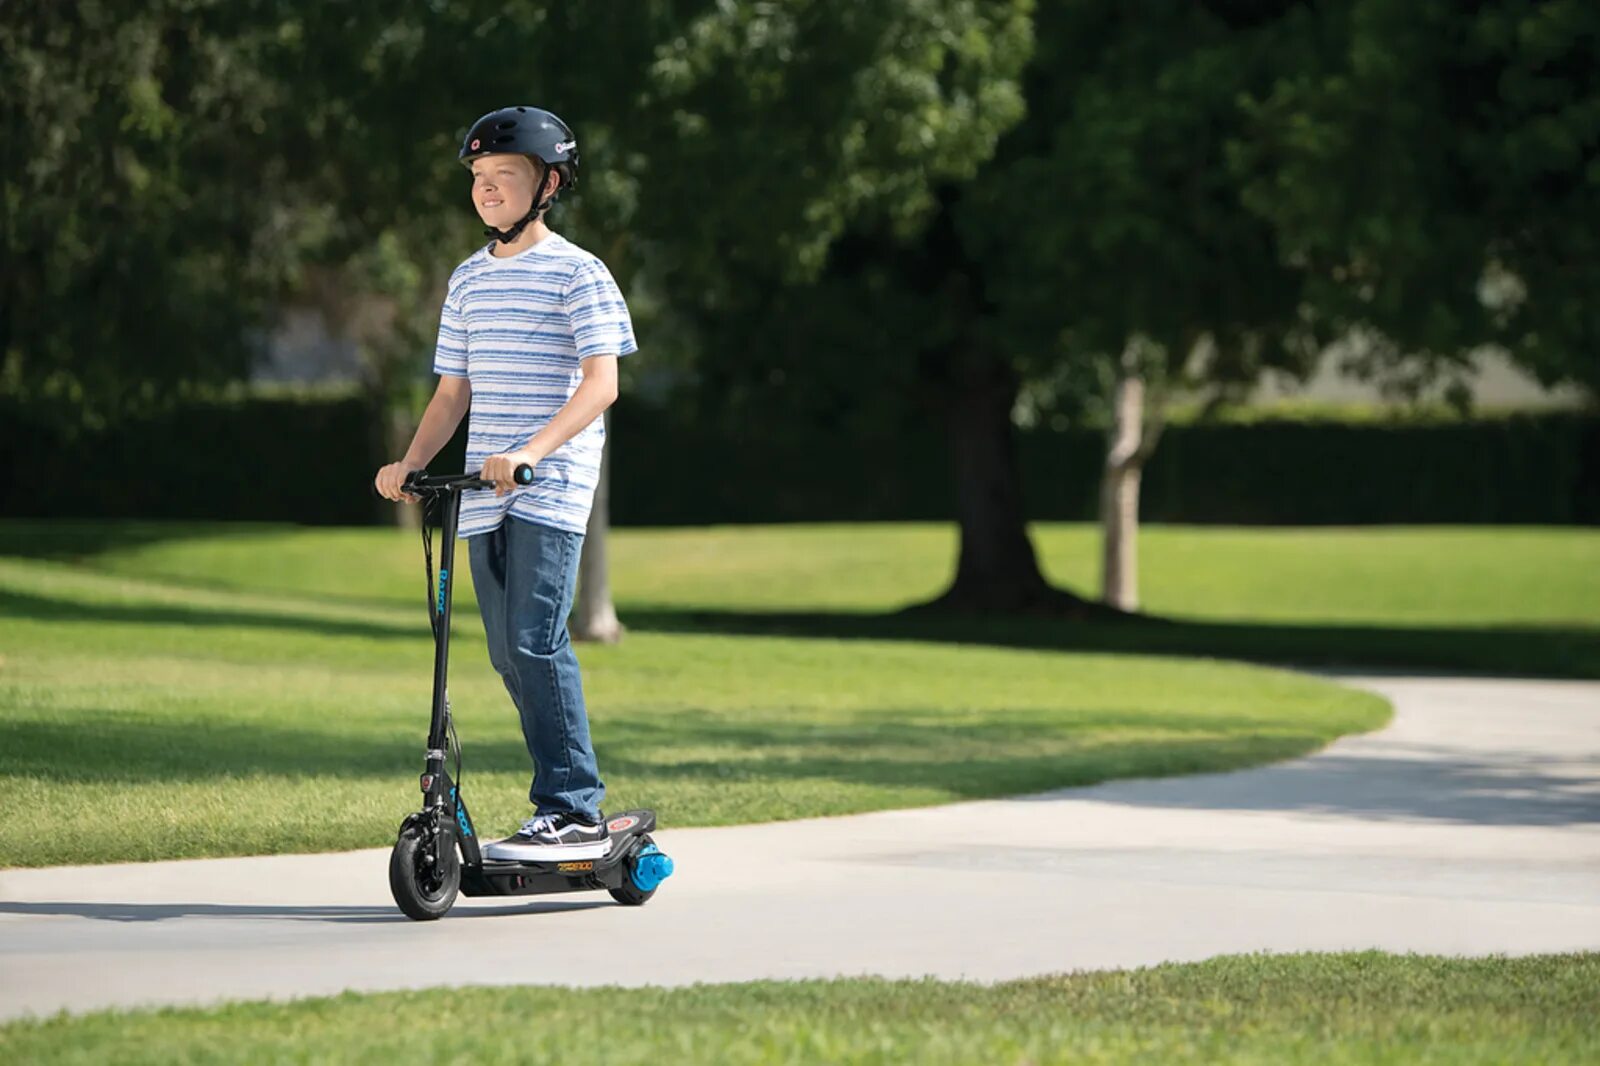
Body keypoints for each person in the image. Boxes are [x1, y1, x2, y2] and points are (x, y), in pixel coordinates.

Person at [374, 106, 635, 859]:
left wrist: (531, 450)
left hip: (547, 487)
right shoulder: (466, 280)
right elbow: (452, 393)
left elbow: (601, 385)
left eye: (504, 177)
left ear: (547, 184)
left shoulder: (580, 273)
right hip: (481, 494)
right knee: (506, 652)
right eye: (479, 179)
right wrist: (412, 464)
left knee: (535, 638)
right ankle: (563, 801)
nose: (487, 191)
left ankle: (574, 806)